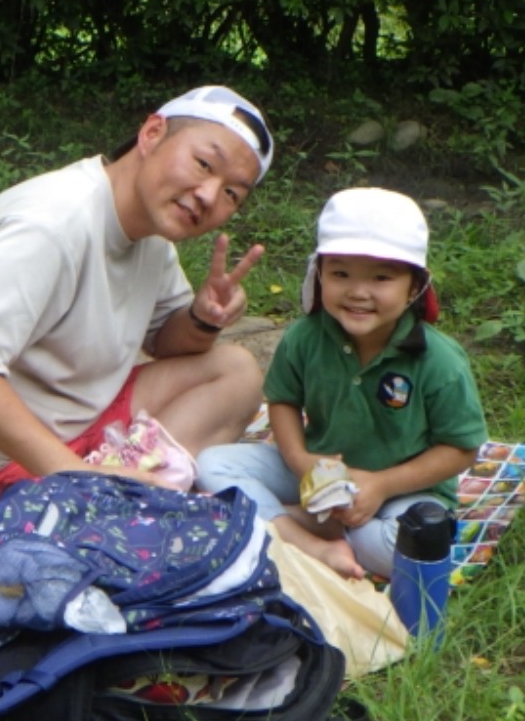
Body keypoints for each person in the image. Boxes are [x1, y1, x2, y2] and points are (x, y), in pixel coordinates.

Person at [0, 86, 277, 560]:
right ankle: (124, 497)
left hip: (74, 433)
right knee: (118, 558)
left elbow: (164, 340)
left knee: (235, 372)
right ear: (152, 132)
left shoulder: (149, 237)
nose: (208, 195)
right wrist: (81, 478)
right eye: (204, 164)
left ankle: (126, 493)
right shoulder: (55, 224)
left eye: (232, 194)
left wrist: (202, 318)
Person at [194, 187, 487, 581]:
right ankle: (309, 539)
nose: (358, 292)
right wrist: (302, 463)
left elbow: (462, 448)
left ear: (414, 287)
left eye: (381, 277)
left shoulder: (438, 360)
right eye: (340, 273)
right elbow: (282, 401)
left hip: (405, 488)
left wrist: (381, 485)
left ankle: (290, 522)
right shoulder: (305, 337)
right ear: (319, 275)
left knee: (408, 548)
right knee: (213, 463)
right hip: (321, 470)